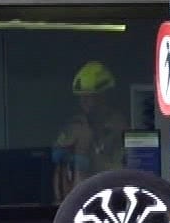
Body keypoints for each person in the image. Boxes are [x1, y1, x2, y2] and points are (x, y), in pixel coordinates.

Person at [50, 60, 130, 201]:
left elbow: (119, 175)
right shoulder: (75, 125)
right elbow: (60, 171)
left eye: (90, 96)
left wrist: (83, 151)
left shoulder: (118, 128)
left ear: (104, 97)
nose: (84, 101)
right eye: (82, 96)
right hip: (73, 203)